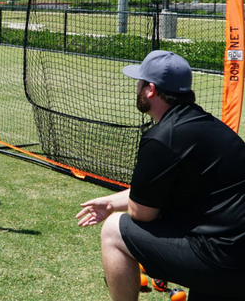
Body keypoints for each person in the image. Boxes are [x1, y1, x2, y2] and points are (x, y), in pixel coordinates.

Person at [76, 50, 245, 301]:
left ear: (150, 90)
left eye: (140, 82)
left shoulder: (162, 139)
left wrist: (115, 210)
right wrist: (111, 202)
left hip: (221, 260)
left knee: (113, 229)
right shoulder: (212, 126)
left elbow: (141, 213)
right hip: (235, 255)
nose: (137, 87)